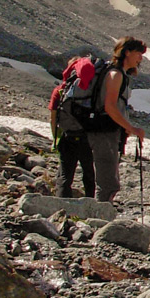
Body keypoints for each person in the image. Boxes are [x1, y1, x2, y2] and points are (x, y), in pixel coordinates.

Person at [86, 36, 147, 203]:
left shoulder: (119, 74)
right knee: (108, 181)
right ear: (127, 52)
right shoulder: (115, 75)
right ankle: (101, 218)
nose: (140, 58)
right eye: (138, 53)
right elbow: (110, 106)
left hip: (108, 130)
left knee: (109, 178)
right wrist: (132, 128)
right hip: (105, 131)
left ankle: (101, 214)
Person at [48, 56, 95, 198]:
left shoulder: (60, 90)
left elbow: (53, 117)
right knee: (89, 173)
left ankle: (62, 207)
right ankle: (92, 205)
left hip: (67, 136)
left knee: (65, 175)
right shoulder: (90, 89)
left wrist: (56, 137)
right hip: (86, 137)